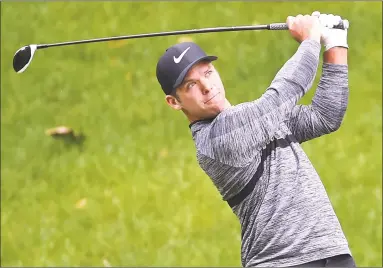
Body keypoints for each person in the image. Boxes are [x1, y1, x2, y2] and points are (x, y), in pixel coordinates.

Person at [155, 11, 355, 267]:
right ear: (174, 102)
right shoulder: (218, 139)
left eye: (207, 73)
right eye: (190, 85)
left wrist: (336, 43)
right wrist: (311, 39)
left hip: (331, 254)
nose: (207, 86)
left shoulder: (256, 121)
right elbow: (284, 92)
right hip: (283, 262)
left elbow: (324, 117)